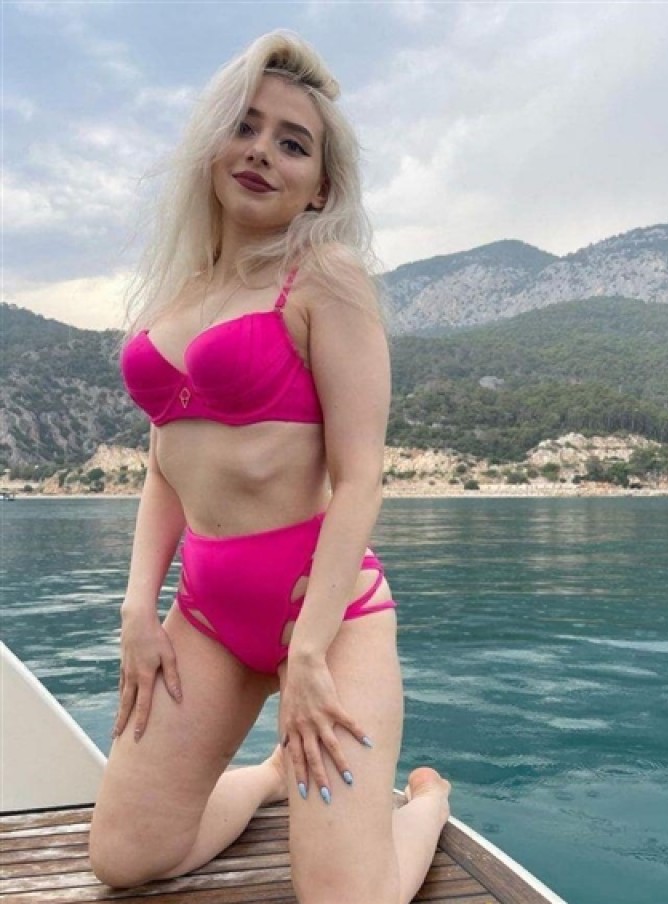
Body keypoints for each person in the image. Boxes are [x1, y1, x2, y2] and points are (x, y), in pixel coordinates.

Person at [88, 30, 451, 904]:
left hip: (327, 617)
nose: (261, 152)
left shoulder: (327, 279)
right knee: (123, 859)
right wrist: (138, 607)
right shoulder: (177, 291)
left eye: (293, 143)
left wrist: (311, 653)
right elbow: (165, 465)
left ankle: (431, 804)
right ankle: (268, 778)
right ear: (212, 144)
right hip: (206, 616)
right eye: (245, 127)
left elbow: (361, 478)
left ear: (319, 184)